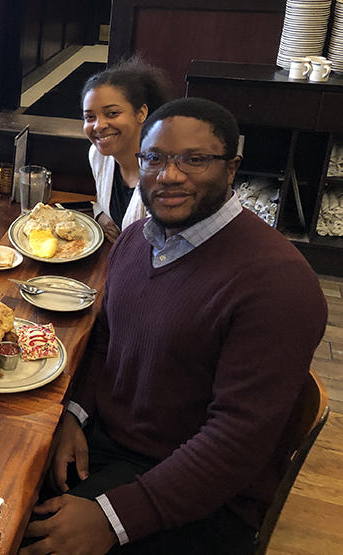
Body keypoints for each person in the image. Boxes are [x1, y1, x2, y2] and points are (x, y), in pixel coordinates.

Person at [22, 98, 327, 554]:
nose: (169, 175)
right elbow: (106, 340)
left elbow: (235, 444)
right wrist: (75, 414)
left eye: (195, 160)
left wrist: (113, 519)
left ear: (231, 169)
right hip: (111, 444)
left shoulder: (278, 283)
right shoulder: (134, 241)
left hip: (201, 496)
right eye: (155, 158)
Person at [82, 57, 171, 242]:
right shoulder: (99, 156)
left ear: (141, 113)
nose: (98, 125)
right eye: (90, 117)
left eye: (112, 113)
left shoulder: (163, 175)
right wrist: (100, 215)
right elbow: (101, 200)